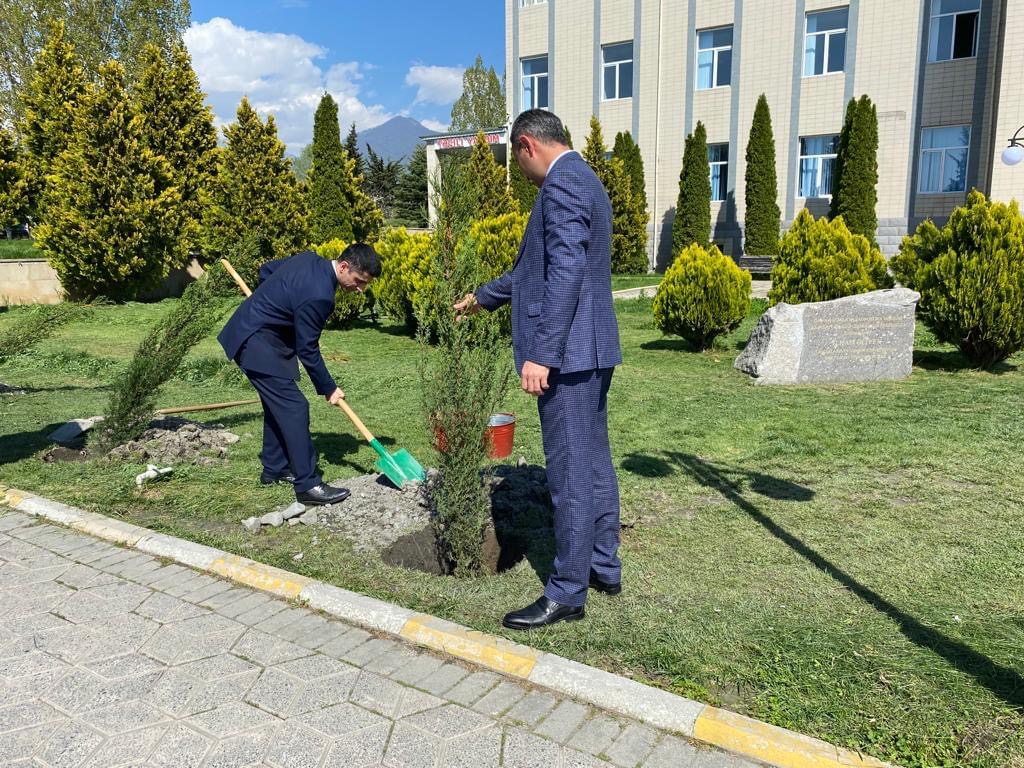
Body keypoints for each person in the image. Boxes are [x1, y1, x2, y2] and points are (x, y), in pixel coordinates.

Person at [455, 109, 623, 629]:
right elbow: (536, 271)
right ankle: (603, 566)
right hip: (590, 349)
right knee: (593, 462)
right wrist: (483, 297)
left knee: (570, 474)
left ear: (527, 144)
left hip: (568, 356)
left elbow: (567, 273)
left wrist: (543, 354)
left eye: (516, 158)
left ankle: (568, 592)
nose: (520, 170)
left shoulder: (561, 185)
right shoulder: (584, 178)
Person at [218, 244, 381, 506]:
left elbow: (267, 270)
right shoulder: (321, 296)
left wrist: (272, 302)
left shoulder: (309, 259)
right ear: (343, 267)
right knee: (295, 408)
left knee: (278, 406)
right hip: (255, 342)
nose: (361, 289)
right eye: (359, 281)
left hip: (263, 337)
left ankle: (275, 469)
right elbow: (307, 349)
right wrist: (329, 387)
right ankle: (308, 485)